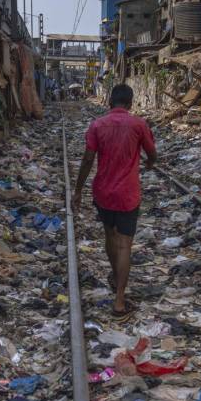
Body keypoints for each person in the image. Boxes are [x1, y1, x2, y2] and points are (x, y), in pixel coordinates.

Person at [72, 84, 157, 322]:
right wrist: (149, 164)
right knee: (124, 246)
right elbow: (152, 154)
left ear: (110, 101)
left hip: (104, 194)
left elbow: (88, 158)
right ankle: (119, 301)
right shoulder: (139, 125)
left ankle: (114, 273)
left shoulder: (97, 125)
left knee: (109, 235)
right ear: (130, 103)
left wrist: (78, 190)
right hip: (128, 195)